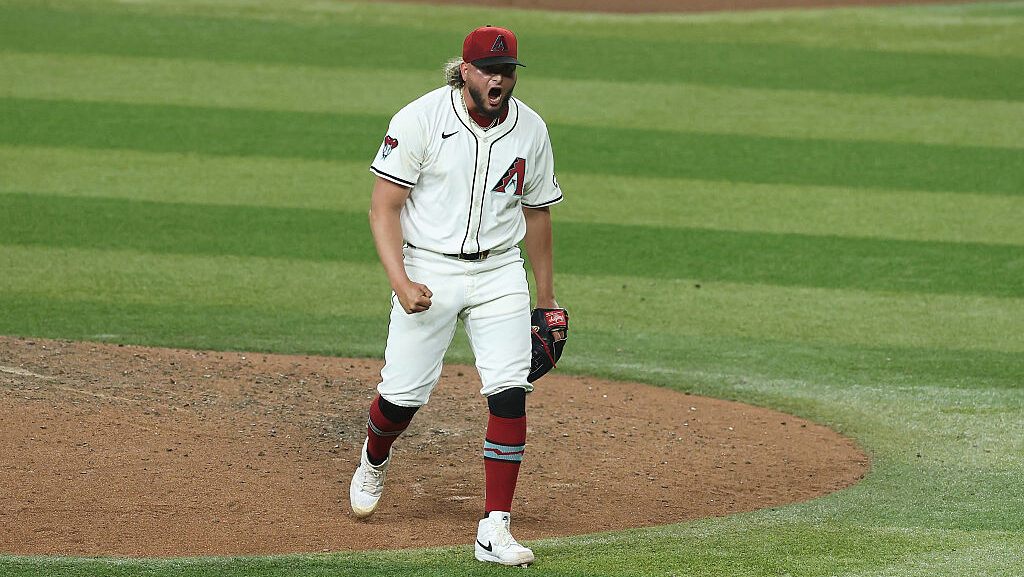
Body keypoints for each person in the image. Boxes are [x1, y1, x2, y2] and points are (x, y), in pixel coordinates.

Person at [349, 25, 563, 567]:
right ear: (465, 71)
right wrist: (401, 282)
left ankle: (495, 527)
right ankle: (374, 458)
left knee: (509, 391)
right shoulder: (420, 119)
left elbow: (537, 213)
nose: (500, 80)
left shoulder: (531, 128)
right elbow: (383, 208)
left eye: (508, 71)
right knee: (401, 398)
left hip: (500, 272)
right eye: (490, 70)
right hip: (429, 267)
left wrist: (546, 299)